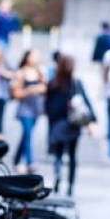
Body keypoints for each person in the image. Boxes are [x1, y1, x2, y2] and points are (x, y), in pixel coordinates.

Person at [46, 55, 95, 195]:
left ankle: (58, 180)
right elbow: (86, 101)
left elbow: (49, 106)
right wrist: (91, 118)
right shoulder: (74, 83)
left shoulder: (54, 83)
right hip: (72, 123)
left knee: (59, 155)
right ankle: (69, 184)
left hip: (60, 123)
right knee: (72, 156)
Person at [12, 49, 47, 173]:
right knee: (27, 134)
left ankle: (16, 159)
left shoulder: (40, 72)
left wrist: (41, 87)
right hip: (25, 109)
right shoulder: (21, 73)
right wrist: (29, 91)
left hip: (36, 108)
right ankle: (30, 162)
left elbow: (46, 87)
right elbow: (15, 93)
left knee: (26, 135)